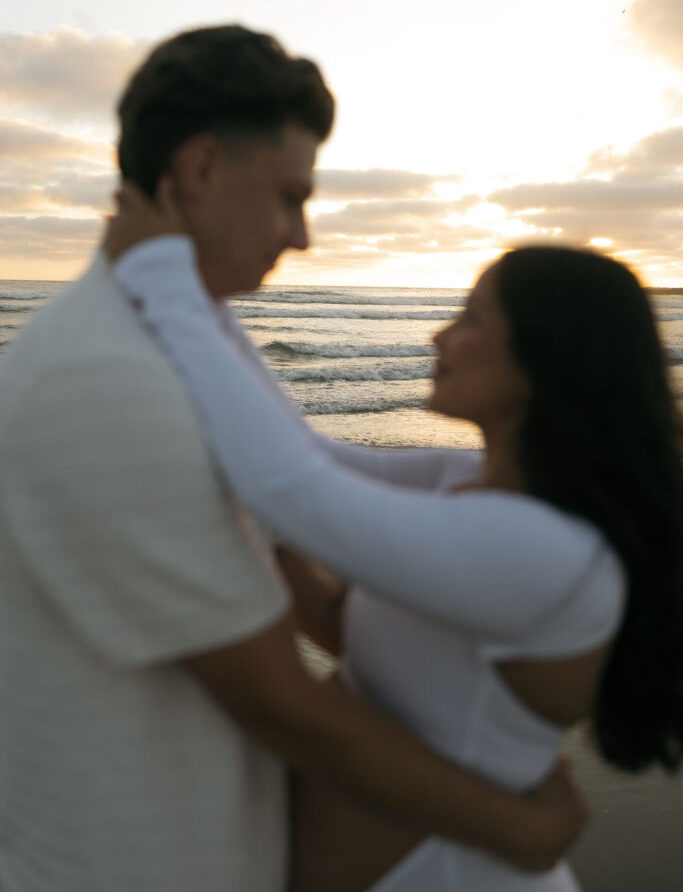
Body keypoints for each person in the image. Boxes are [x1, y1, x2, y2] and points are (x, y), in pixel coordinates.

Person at [0, 25, 584, 892]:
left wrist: (490, 727)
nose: (302, 235)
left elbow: (290, 578)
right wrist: (520, 827)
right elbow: (277, 699)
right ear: (200, 173)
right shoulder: (108, 379)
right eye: (288, 196)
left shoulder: (194, 343)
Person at [105, 183, 683, 891]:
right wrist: (206, 293)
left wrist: (162, 276)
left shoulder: (545, 551)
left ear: (541, 363)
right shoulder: (467, 482)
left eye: (468, 317)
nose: (438, 337)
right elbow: (300, 451)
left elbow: (288, 491)